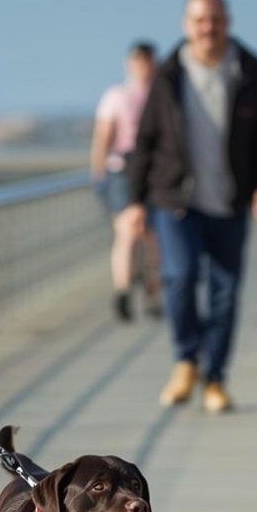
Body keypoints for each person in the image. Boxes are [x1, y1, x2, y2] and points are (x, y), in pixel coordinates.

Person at [122, 0, 257, 414]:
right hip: (176, 199)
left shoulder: (249, 72)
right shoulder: (169, 75)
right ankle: (186, 359)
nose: (207, 28)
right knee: (179, 276)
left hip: (231, 201)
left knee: (226, 293)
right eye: (199, 20)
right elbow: (145, 141)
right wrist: (134, 201)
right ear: (186, 25)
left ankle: (215, 378)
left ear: (227, 21)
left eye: (214, 19)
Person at [92, 41, 163, 322]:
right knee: (127, 231)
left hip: (156, 170)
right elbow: (103, 137)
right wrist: (99, 174)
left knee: (152, 235)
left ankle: (152, 292)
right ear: (129, 64)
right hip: (122, 169)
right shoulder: (116, 95)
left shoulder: (160, 93)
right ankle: (124, 289)